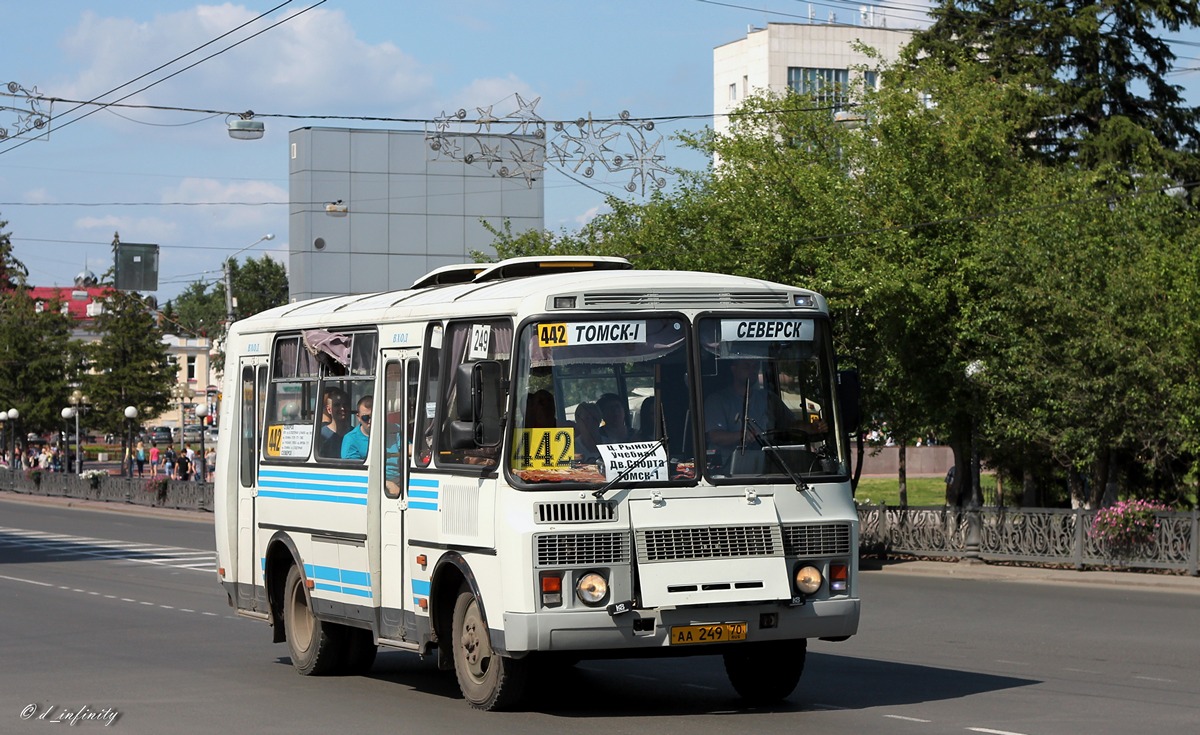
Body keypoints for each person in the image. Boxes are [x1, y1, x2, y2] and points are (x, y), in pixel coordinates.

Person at [319, 386, 351, 457]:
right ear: (329, 409)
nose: (342, 408)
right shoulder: (321, 435)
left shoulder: (355, 433)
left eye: (345, 404)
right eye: (337, 405)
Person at [341, 395, 373, 460]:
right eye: (365, 417)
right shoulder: (351, 439)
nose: (370, 421)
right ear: (358, 417)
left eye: (373, 417)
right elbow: (353, 468)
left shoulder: (396, 432)